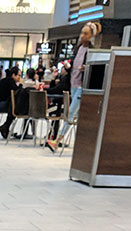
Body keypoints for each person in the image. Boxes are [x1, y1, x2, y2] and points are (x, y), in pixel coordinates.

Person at [48, 21, 98, 151]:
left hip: (82, 87)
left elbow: (96, 70)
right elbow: (73, 69)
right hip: (73, 85)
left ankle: (57, 140)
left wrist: (87, 68)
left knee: (70, 113)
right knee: (76, 115)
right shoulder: (78, 50)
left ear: (91, 36)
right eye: (82, 33)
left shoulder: (92, 51)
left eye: (85, 33)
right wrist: (69, 68)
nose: (82, 36)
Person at [0, 65, 22, 139]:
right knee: (16, 107)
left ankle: (5, 127)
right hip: (1, 105)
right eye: (19, 75)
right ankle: (5, 127)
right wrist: (21, 85)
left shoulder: (3, 80)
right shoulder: (10, 81)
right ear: (13, 75)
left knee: (13, 106)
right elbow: (16, 91)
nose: (20, 77)